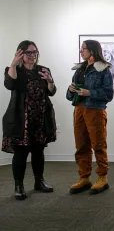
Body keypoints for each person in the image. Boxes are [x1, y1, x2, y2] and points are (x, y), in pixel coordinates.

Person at [2, 40, 57, 200]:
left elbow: (51, 92)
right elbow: (9, 84)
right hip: (21, 120)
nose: (32, 55)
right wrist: (13, 64)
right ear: (21, 54)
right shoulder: (13, 70)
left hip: (40, 119)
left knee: (38, 151)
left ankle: (39, 181)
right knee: (20, 153)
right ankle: (18, 186)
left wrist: (50, 81)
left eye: (35, 52)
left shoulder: (43, 70)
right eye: (29, 52)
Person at [66, 40, 114, 195]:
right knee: (81, 145)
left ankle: (102, 178)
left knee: (98, 145)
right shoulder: (79, 69)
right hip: (79, 110)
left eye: (83, 49)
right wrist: (71, 89)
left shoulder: (103, 69)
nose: (81, 51)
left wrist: (90, 93)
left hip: (95, 110)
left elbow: (108, 94)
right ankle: (84, 178)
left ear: (92, 50)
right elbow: (69, 96)